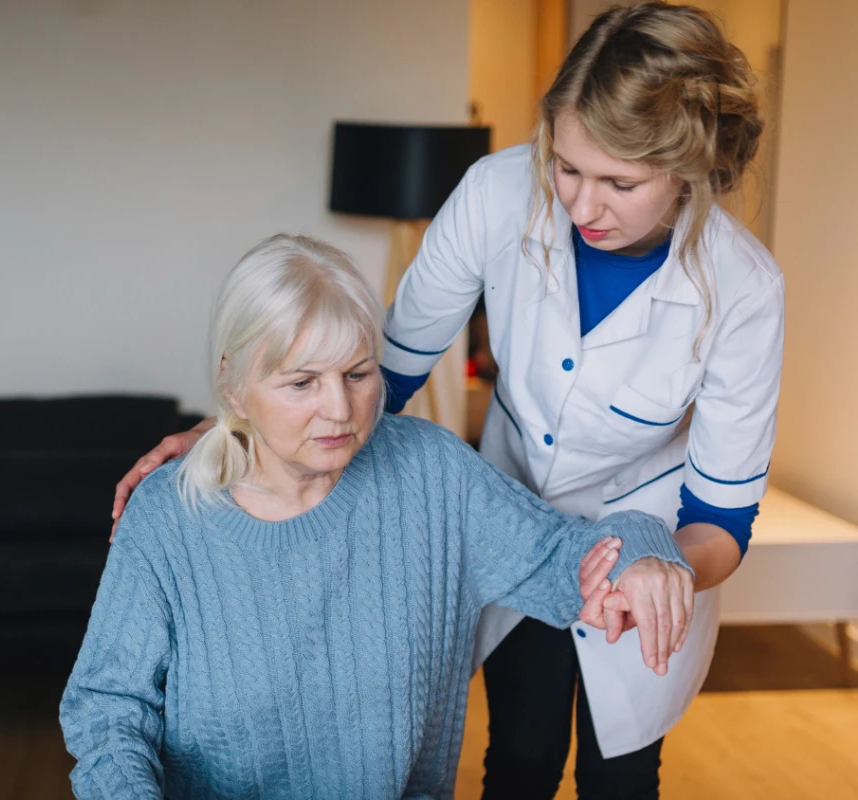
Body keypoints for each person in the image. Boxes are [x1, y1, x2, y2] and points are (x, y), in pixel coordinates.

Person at [109, 4, 783, 798]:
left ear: (688, 167)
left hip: (655, 547)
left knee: (623, 780)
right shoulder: (498, 194)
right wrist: (239, 433)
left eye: (620, 183)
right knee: (521, 758)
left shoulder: (742, 288)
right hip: (509, 515)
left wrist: (657, 568)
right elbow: (381, 376)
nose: (581, 205)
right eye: (566, 166)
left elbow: (723, 518)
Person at [63, 235, 695, 800]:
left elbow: (565, 556)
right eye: (302, 382)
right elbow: (109, 708)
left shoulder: (431, 472)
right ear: (233, 388)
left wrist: (643, 548)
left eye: (358, 373)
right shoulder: (167, 517)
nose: (340, 409)